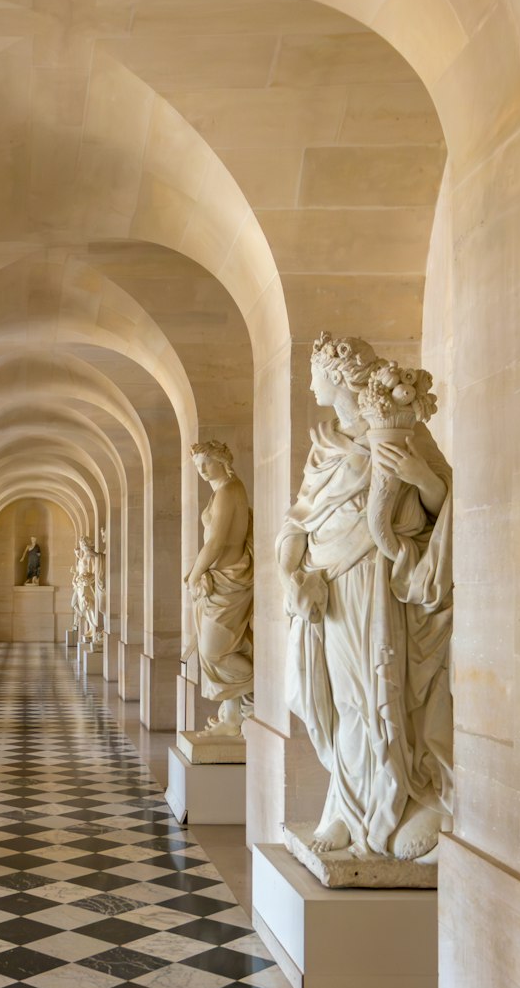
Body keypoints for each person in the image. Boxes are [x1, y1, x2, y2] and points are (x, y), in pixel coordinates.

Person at [278, 334, 452, 860]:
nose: (310, 382)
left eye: (316, 370)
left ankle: (381, 808)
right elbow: (297, 522)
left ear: (339, 375)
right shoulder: (325, 446)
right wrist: (292, 576)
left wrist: (418, 475)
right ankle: (346, 809)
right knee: (343, 698)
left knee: (378, 693)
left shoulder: (404, 433)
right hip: (329, 590)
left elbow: (443, 501)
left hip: (377, 580)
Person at [185, 441, 254, 735]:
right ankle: (232, 718)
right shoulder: (221, 491)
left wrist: (194, 575)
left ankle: (264, 686)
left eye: (206, 463)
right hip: (218, 578)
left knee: (215, 651)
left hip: (229, 580)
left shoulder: (228, 490)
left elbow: (216, 542)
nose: (201, 470)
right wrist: (196, 572)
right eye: (197, 465)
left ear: (222, 461)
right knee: (219, 649)